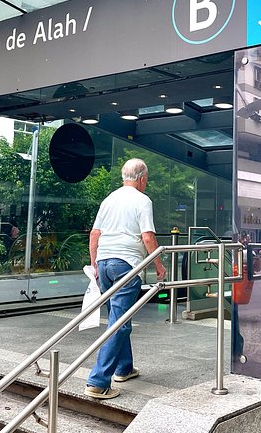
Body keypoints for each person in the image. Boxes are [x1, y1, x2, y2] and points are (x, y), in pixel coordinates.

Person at [85, 158, 167, 400]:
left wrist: (95, 264)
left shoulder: (109, 199)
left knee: (116, 318)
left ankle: (124, 368)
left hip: (104, 264)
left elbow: (94, 234)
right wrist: (159, 266)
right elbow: (148, 237)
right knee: (118, 323)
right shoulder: (143, 200)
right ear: (142, 179)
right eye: (147, 180)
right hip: (126, 266)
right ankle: (98, 381)